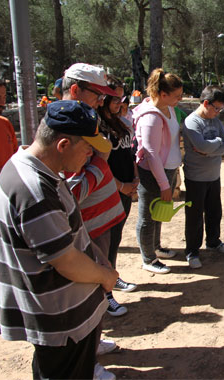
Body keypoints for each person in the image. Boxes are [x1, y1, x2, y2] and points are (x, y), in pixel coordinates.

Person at [0, 101, 119, 379]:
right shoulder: (35, 191)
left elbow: (68, 235)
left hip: (63, 316)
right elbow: (66, 261)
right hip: (61, 320)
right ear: (62, 144)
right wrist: (106, 276)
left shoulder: (34, 167)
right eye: (88, 148)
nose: (90, 155)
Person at [63, 63, 128, 320]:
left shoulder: (89, 119)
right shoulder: (68, 126)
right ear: (76, 89)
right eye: (98, 96)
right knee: (93, 275)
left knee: (106, 265)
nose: (102, 102)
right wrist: (101, 160)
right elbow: (73, 190)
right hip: (88, 222)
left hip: (102, 216)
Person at [133, 69, 184, 274]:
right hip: (153, 173)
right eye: (177, 95)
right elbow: (151, 153)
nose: (180, 99)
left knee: (160, 212)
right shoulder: (151, 117)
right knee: (147, 216)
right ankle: (148, 259)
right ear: (163, 94)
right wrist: (163, 184)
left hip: (169, 169)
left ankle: (156, 247)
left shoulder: (169, 108)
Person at [97, 75, 139, 295]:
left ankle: (112, 276)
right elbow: (98, 166)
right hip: (108, 192)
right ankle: (105, 292)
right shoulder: (97, 125)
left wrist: (134, 178)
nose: (119, 102)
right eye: (114, 97)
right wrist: (120, 186)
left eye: (121, 98)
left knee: (115, 239)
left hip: (124, 189)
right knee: (104, 243)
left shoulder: (119, 122)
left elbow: (129, 152)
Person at [183, 86, 224, 269]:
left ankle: (213, 241)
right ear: (206, 103)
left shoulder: (215, 121)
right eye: (217, 108)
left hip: (214, 176)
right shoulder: (191, 122)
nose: (218, 113)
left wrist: (212, 147)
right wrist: (215, 146)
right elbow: (201, 146)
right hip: (196, 177)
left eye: (221, 109)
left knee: (214, 212)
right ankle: (192, 251)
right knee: (195, 217)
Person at [0, 74, 18, 335]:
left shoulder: (5, 123)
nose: (2, 101)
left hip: (7, 194)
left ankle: (10, 303)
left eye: (3, 95)